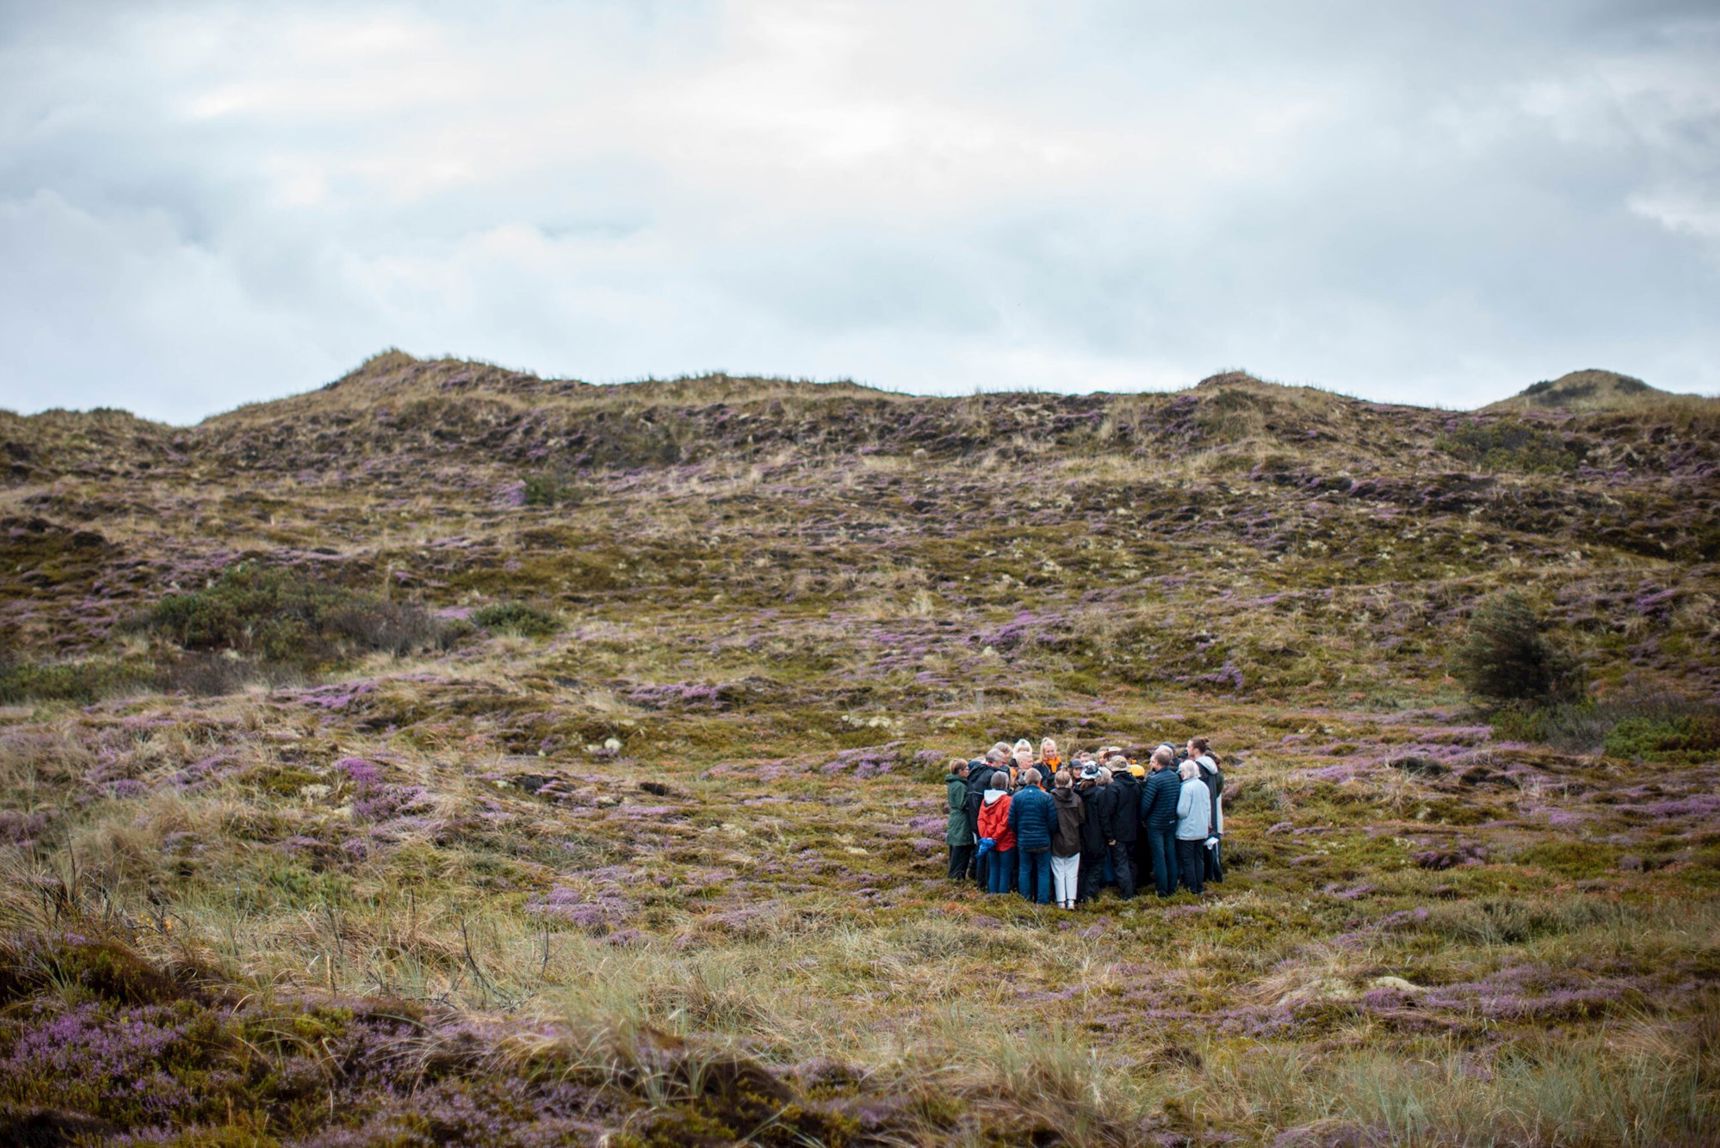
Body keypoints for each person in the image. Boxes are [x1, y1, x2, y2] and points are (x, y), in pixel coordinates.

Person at [1008, 767, 1056, 904]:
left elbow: (1011, 821)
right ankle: (1042, 901)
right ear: (1039, 780)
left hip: (1024, 840)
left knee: (1024, 870)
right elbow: (1052, 821)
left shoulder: (1017, 797)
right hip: (1043, 840)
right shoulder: (1046, 797)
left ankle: (1025, 900)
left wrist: (1020, 832)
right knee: (1043, 871)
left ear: (1025, 780)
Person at [1138, 746, 1181, 897]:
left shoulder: (1155, 780)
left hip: (1155, 824)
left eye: (1152, 761)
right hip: (1171, 821)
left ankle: (1162, 889)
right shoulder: (1175, 776)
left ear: (1157, 762)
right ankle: (1172, 886)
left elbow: (1146, 804)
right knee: (1171, 853)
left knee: (1159, 856)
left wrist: (1142, 818)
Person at [1104, 755, 1141, 900]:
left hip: (1118, 833)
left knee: (1121, 863)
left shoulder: (1113, 788)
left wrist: (1109, 835)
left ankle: (1127, 893)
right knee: (1132, 861)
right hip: (1135, 830)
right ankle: (1133, 888)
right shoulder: (1136, 785)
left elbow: (1108, 812)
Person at [1189, 737, 1225, 884]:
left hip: (1206, 813)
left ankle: (1214, 875)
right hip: (1211, 812)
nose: (1187, 749)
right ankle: (1212, 874)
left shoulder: (1200, 768)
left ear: (1196, 749)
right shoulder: (1213, 769)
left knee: (1209, 844)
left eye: (1189, 746)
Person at [1175, 760, 1212, 895]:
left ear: (1186, 772)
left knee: (1188, 860)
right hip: (1201, 829)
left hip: (1187, 830)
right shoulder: (1203, 786)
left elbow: (1182, 811)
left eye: (1182, 771)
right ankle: (1199, 886)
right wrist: (1208, 824)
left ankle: (1192, 887)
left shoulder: (1186, 788)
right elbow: (1208, 808)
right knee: (1198, 858)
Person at [1049, 771, 1085, 909]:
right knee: (1072, 873)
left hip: (1056, 839)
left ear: (1056, 782)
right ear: (1070, 782)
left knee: (1058, 872)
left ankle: (1060, 901)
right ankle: (1071, 901)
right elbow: (1082, 819)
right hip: (1073, 839)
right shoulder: (1077, 798)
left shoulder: (1050, 798)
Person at [977, 771, 1016, 894]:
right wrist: (995, 837)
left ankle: (992, 895)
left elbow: (981, 820)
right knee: (1004, 871)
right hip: (1005, 841)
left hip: (989, 842)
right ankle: (1002, 897)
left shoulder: (985, 800)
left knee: (993, 869)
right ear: (1006, 783)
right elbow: (1005, 822)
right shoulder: (1007, 800)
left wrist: (987, 837)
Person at [1076, 765, 1107, 903]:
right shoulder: (1101, 794)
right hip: (1097, 835)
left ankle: (1079, 894)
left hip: (1080, 835)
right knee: (1096, 866)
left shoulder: (1077, 794)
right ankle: (1089, 894)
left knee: (1083, 866)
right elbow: (1104, 817)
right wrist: (1109, 835)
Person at [945, 759, 975, 881]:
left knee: (957, 849)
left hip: (957, 821)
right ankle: (956, 876)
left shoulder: (955, 784)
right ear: (960, 771)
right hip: (961, 822)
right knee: (960, 850)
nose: (969, 771)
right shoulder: (960, 786)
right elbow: (963, 804)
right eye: (967, 769)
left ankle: (956, 876)